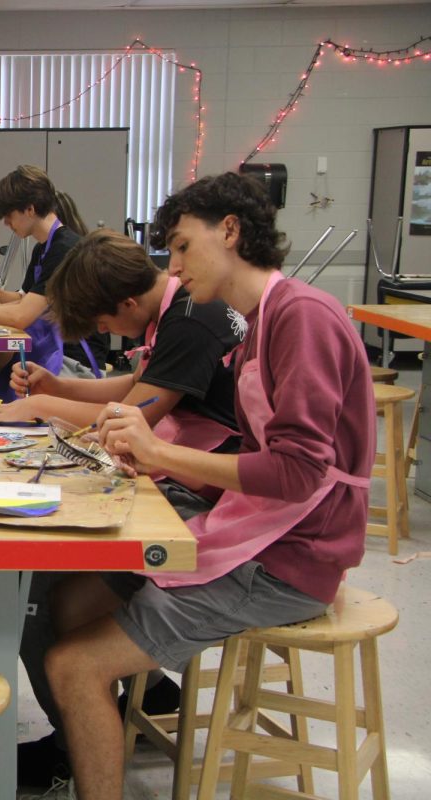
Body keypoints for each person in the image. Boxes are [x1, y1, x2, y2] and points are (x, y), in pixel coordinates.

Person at [44, 172, 374, 800]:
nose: (174, 266)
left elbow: (298, 471)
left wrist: (161, 452)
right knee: (71, 604)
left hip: (291, 559)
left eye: (183, 246)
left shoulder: (300, 317)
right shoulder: (259, 319)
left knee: (72, 665)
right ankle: (93, 749)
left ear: (230, 231)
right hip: (264, 531)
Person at [0, 229, 246, 788]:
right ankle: (92, 720)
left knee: (51, 603)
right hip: (192, 481)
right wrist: (61, 388)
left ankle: (88, 720)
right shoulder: (174, 312)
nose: (105, 334)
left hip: (207, 499)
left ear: (126, 304)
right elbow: (140, 384)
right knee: (58, 602)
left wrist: (39, 402)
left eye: (103, 326)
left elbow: (135, 414)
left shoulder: (194, 318)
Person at [0, 167, 107, 395]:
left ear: (30, 209)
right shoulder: (45, 247)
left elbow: (21, 316)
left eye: (9, 215)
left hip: (75, 362)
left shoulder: (64, 249)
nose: (6, 223)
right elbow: (25, 300)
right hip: (54, 352)